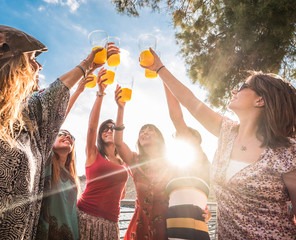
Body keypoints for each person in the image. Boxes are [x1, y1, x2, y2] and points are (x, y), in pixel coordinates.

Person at [0, 25, 117, 239]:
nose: (39, 66)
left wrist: (89, 64)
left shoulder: (25, 127)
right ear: (8, 65)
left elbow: (52, 95)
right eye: (31, 59)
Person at [143, 48, 296, 239]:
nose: (234, 90)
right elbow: (190, 100)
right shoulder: (227, 133)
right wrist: (159, 69)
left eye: (242, 86)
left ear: (260, 100)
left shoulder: (288, 151)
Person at [36, 76, 95, 240]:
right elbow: (57, 119)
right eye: (62, 134)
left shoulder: (72, 177)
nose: (67, 137)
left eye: (71, 137)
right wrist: (77, 92)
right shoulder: (46, 162)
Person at [113, 85, 172, 240]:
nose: (145, 132)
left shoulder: (171, 164)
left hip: (167, 228)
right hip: (139, 228)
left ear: (159, 137)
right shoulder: (135, 160)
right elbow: (118, 143)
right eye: (142, 131)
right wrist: (121, 108)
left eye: (149, 130)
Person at [77, 68, 129, 240]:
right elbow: (91, 128)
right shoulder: (93, 154)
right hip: (86, 218)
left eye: (112, 128)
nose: (108, 130)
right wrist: (101, 93)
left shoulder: (123, 162)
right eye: (104, 129)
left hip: (111, 224)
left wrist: (120, 108)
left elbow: (120, 193)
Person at [163, 84, 211, 240]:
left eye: (184, 135)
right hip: (173, 231)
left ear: (196, 140)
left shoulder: (200, 158)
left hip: (194, 233)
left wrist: (163, 76)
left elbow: (176, 118)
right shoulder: (175, 168)